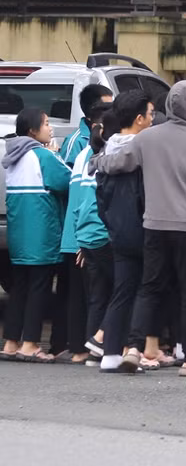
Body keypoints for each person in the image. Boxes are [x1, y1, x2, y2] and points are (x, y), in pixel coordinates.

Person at [92, 80, 186, 377]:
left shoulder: (148, 138)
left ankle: (135, 348)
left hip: (154, 224)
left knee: (149, 287)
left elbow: (119, 162)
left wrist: (96, 161)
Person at [92, 91, 162, 373]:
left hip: (117, 231)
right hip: (145, 228)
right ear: (139, 119)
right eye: (151, 114)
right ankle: (135, 349)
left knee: (121, 291)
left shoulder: (106, 149)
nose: (153, 119)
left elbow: (100, 198)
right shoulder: (145, 148)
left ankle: (110, 354)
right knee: (146, 291)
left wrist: (111, 223)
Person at [1, 108, 71, 362]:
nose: (50, 128)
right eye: (46, 123)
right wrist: (55, 155)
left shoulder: (13, 156)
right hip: (42, 238)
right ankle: (30, 344)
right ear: (32, 130)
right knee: (39, 291)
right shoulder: (42, 155)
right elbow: (66, 180)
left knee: (19, 291)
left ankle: (10, 343)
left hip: (20, 238)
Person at [71, 100, 115, 366]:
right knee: (123, 290)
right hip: (105, 234)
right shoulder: (112, 155)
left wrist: (79, 239)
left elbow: (79, 200)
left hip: (86, 234)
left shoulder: (84, 155)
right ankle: (105, 345)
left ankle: (91, 350)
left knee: (98, 295)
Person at [60, 84, 113, 167]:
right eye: (107, 107)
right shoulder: (76, 142)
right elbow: (66, 174)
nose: (113, 111)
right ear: (94, 109)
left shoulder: (113, 135)